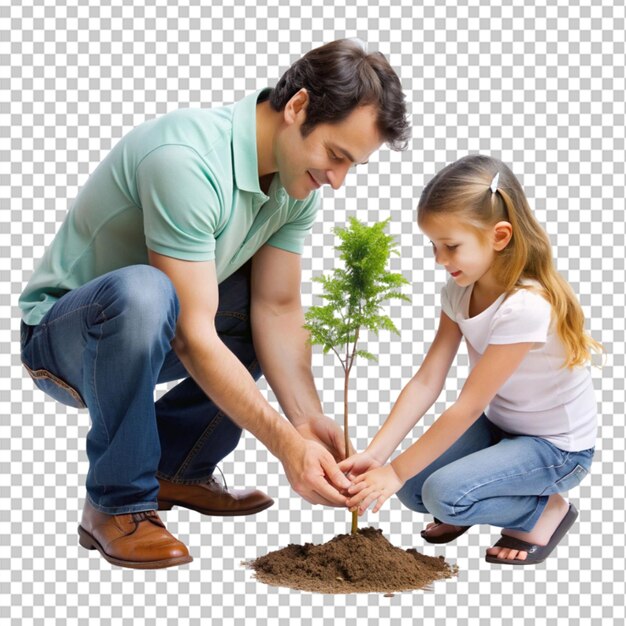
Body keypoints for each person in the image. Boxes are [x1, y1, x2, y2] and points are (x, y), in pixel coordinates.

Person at [18, 39, 410, 569]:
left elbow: (275, 308)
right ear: (297, 108)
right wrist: (285, 449)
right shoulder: (186, 160)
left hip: (157, 326)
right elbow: (194, 334)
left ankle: (177, 469)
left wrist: (305, 420)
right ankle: (116, 502)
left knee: (236, 299)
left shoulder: (295, 186)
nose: (337, 181)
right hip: (66, 338)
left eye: (351, 166)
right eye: (335, 156)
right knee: (145, 291)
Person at [341, 155, 600, 565]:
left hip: (557, 450)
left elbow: (468, 405)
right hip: (501, 428)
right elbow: (428, 379)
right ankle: (475, 493)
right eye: (433, 245)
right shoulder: (459, 291)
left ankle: (546, 510)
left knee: (441, 496)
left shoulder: (525, 305)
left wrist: (393, 471)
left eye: (451, 246)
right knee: (413, 491)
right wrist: (379, 455)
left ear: (499, 236)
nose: (440, 260)